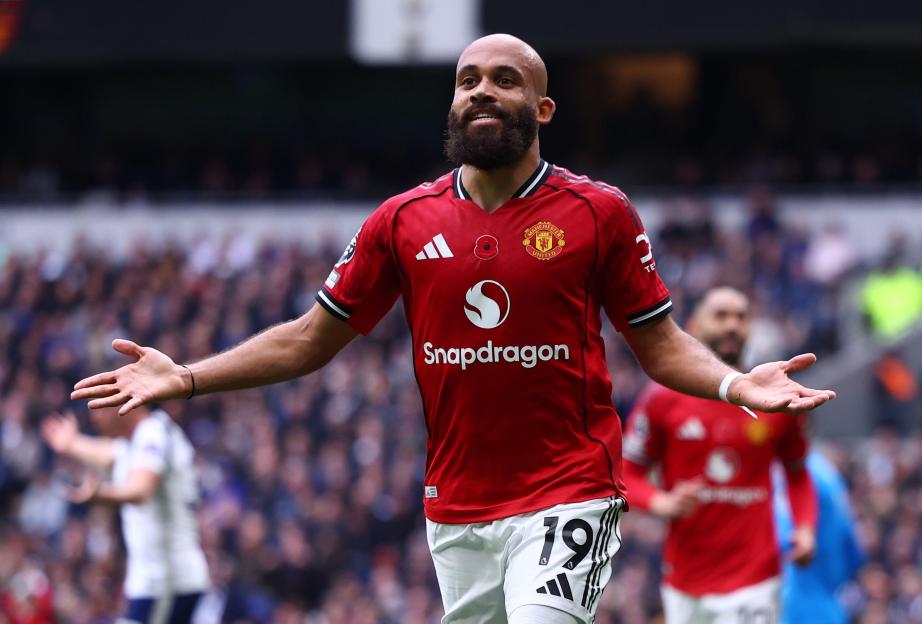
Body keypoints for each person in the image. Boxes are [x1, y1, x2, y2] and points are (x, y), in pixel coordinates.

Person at [71, 34, 835, 624]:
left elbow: (660, 343)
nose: (482, 92)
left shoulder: (598, 212)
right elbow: (309, 338)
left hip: (570, 490)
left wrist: (738, 385)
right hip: (457, 505)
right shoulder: (402, 221)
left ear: (543, 110)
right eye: (468, 81)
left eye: (505, 80)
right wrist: (188, 377)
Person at [622, 287, 819, 624]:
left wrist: (805, 528)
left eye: (741, 317)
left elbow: (798, 473)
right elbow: (627, 473)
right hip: (683, 581)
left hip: (755, 578)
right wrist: (661, 502)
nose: (732, 325)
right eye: (721, 315)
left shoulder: (774, 400)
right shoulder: (661, 399)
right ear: (693, 325)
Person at [41, 408, 208, 624]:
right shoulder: (136, 439)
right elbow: (107, 453)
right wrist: (71, 443)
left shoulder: (152, 431)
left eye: (100, 407)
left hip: (167, 581)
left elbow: (141, 489)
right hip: (156, 583)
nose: (94, 417)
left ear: (124, 402)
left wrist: (101, 494)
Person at [774, 448, 865, 624]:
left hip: (798, 609)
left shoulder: (795, 475)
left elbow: (782, 544)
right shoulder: (826, 473)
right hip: (829, 606)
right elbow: (854, 549)